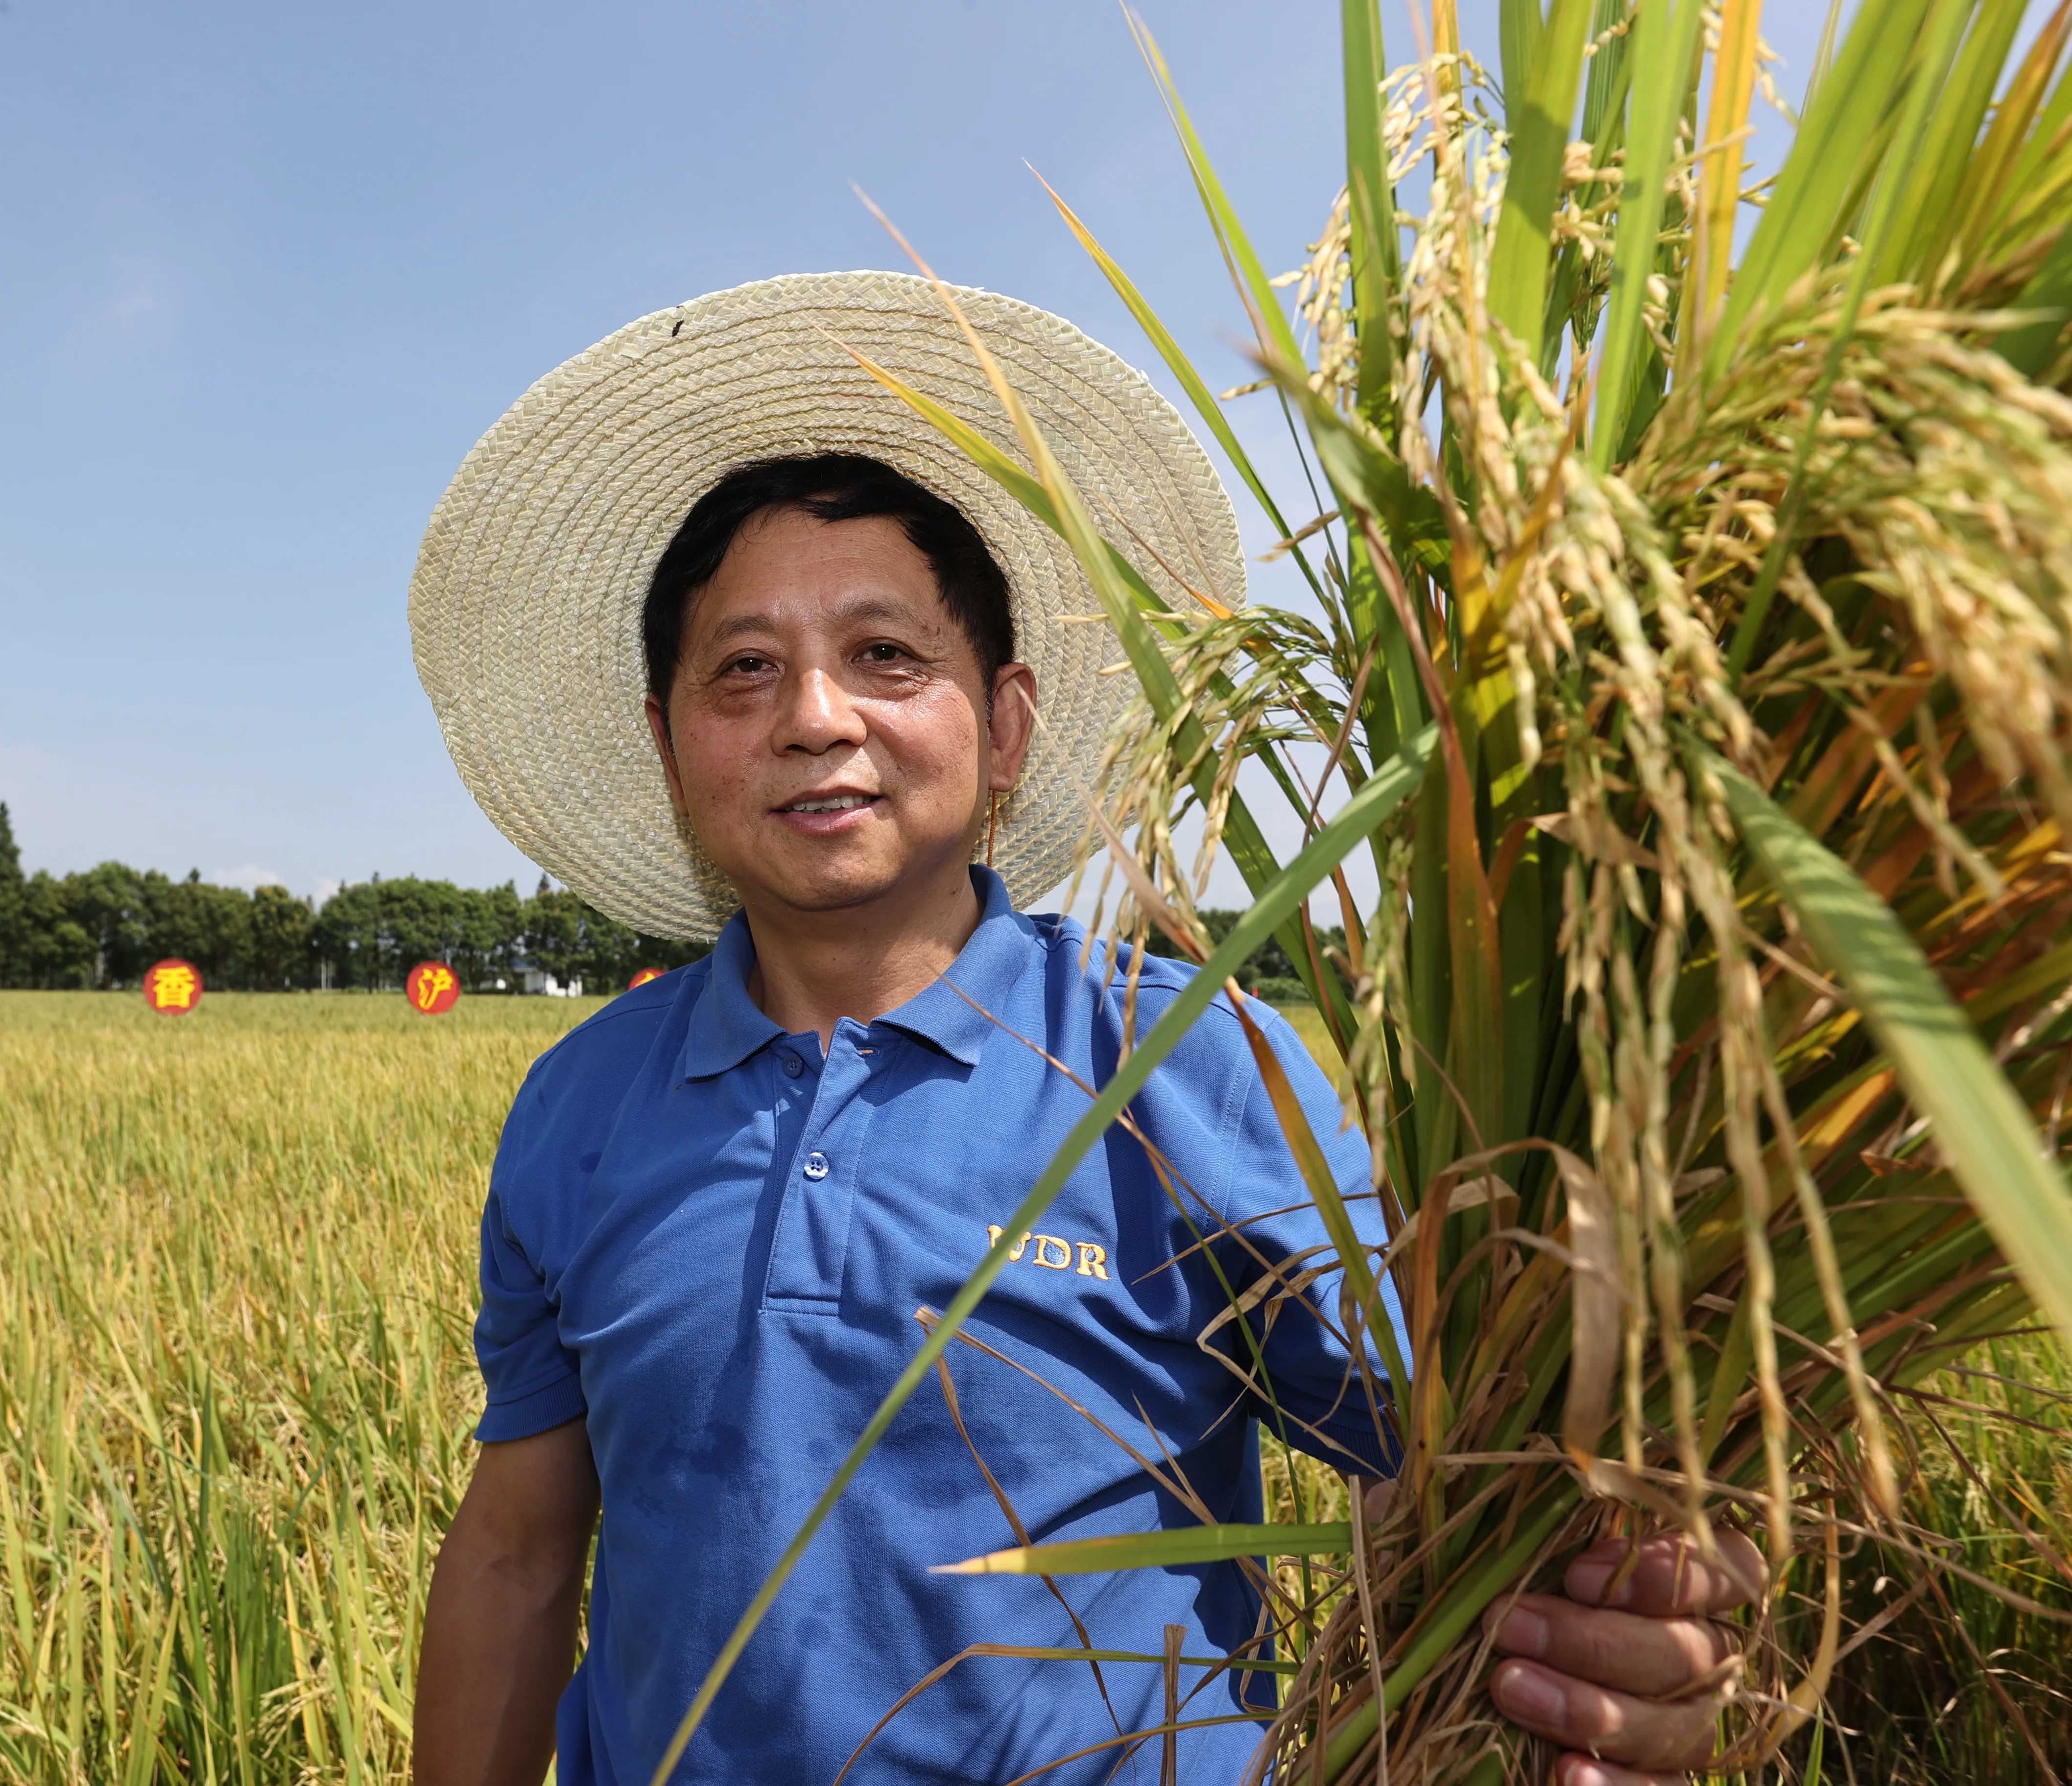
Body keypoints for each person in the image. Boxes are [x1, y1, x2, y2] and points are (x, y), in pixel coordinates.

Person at [407, 274, 1757, 1786]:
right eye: (743, 668)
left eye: (887, 656)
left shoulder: (1180, 1061)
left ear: (1009, 728)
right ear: (670, 743)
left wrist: (1620, 1627)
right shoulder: (580, 1106)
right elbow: (521, 1555)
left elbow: (1454, 1464)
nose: (814, 716)